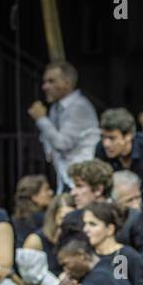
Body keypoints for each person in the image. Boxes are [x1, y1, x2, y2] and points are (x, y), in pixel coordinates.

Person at [29, 61, 99, 193]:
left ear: (67, 83)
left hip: (84, 178)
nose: (45, 87)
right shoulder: (55, 108)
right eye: (45, 82)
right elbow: (49, 147)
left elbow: (62, 143)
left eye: (51, 81)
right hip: (66, 176)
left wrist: (41, 119)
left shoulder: (79, 107)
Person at [83, 201, 143, 285]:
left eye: (92, 224)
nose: (85, 229)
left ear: (110, 229)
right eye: (85, 224)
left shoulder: (127, 256)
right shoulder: (85, 256)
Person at [11, 174, 56, 244]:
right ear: (34, 196)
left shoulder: (15, 219)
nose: (51, 192)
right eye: (46, 190)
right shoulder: (43, 219)